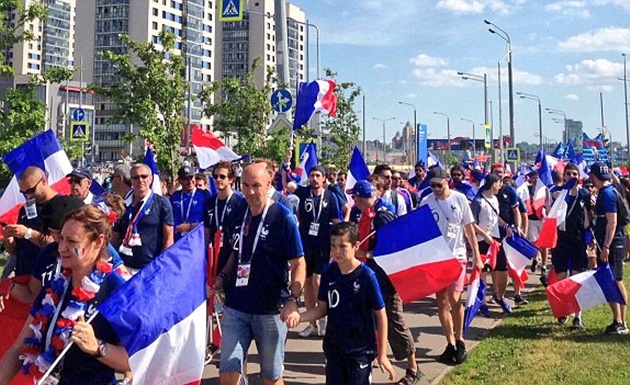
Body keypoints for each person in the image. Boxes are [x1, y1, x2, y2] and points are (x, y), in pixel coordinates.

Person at [0, 206, 131, 384]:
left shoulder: (116, 290)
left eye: (72, 241)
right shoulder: (54, 287)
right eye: (61, 238)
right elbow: (18, 347)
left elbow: (131, 360)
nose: (62, 248)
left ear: (98, 242)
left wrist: (97, 347)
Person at [212, 162, 305, 385]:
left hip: (270, 310)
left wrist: (293, 300)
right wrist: (222, 277)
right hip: (237, 307)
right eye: (245, 185)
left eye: (256, 185)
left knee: (271, 378)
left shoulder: (283, 217)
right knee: (227, 374)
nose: (250, 192)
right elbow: (236, 251)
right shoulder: (237, 212)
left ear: (268, 184)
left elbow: (299, 263)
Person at [297, 222, 395, 385]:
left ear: (356, 246)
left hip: (360, 350)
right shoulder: (329, 272)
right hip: (335, 348)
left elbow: (381, 315)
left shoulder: (366, 276)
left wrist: (382, 354)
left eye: (342, 246)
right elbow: (322, 308)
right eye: (333, 246)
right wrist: (299, 318)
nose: (336, 251)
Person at [350, 180, 422, 385]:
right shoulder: (369, 213)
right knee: (369, 319)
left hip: (388, 280)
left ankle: (413, 368)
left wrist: (366, 253)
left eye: (355, 197)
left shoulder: (382, 215)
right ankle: (369, 356)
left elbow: (392, 246)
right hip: (372, 276)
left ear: (361, 198)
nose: (353, 202)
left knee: (394, 321)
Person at [420, 167, 482, 365]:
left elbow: (469, 228)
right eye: (433, 186)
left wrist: (477, 256)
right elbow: (420, 232)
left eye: (439, 185)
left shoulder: (459, 199)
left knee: (455, 299)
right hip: (437, 259)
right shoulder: (426, 202)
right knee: (442, 301)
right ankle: (450, 343)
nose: (436, 189)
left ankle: (460, 339)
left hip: (458, 256)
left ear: (447, 181)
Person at [283, 163, 340, 338]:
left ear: (324, 178)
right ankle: (312, 324)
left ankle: (321, 316)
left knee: (317, 281)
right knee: (306, 283)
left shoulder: (331, 197)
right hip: (305, 244)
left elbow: (337, 221)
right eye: (312, 175)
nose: (315, 179)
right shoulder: (304, 192)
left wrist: (336, 245)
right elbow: (287, 184)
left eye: (318, 176)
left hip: (323, 246)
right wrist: (286, 166)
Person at [589, 161, 629, 335]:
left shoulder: (607, 194)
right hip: (613, 241)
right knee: (612, 280)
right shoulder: (611, 189)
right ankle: (618, 320)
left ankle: (621, 321)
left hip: (613, 242)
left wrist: (605, 246)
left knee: (614, 280)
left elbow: (611, 222)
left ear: (593, 176)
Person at [112, 163, 174, 273]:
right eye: (136, 177)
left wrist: (160, 265)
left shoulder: (162, 203)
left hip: (149, 268)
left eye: (144, 176)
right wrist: (114, 262)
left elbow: (168, 238)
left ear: (150, 179)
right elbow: (115, 237)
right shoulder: (122, 205)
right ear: (131, 181)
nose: (140, 180)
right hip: (123, 266)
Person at [551, 163, 592, 329]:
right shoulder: (557, 193)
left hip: (578, 241)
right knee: (561, 278)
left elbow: (589, 217)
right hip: (561, 242)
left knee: (576, 279)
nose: (572, 177)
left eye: (575, 174)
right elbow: (551, 211)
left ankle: (577, 316)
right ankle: (563, 309)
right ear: (564, 176)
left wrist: (590, 237)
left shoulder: (584, 194)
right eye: (569, 174)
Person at [470, 173, 502, 317]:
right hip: (482, 241)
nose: (500, 186)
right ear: (493, 184)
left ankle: (496, 296)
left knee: (496, 269)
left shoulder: (495, 199)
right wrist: (484, 235)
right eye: (498, 183)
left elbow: (496, 217)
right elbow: (472, 224)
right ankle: (481, 303)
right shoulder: (478, 201)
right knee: (483, 274)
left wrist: (506, 226)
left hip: (494, 240)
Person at [205, 161, 243, 273]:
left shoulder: (239, 202)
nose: (218, 179)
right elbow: (207, 230)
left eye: (222, 176)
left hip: (232, 253)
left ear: (231, 179)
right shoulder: (210, 202)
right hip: (214, 254)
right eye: (215, 176)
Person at [171, 166, 210, 242]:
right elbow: (169, 218)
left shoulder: (204, 195)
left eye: (191, 177)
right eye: (185, 179)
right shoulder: (175, 196)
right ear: (179, 180)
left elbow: (209, 221)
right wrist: (177, 227)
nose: (189, 181)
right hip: (178, 241)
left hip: (197, 240)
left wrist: (190, 227)